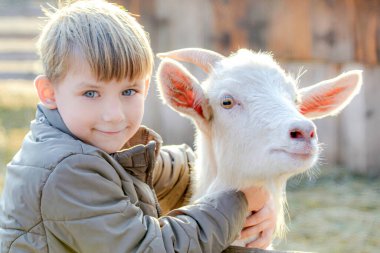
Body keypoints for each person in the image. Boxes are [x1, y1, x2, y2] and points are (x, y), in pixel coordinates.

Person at [0, 0, 276, 252]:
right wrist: (238, 202)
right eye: (91, 93)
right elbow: (151, 248)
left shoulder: (92, 144)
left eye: (128, 91)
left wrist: (240, 178)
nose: (114, 115)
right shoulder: (66, 170)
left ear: (145, 87)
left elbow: (170, 170)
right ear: (49, 93)